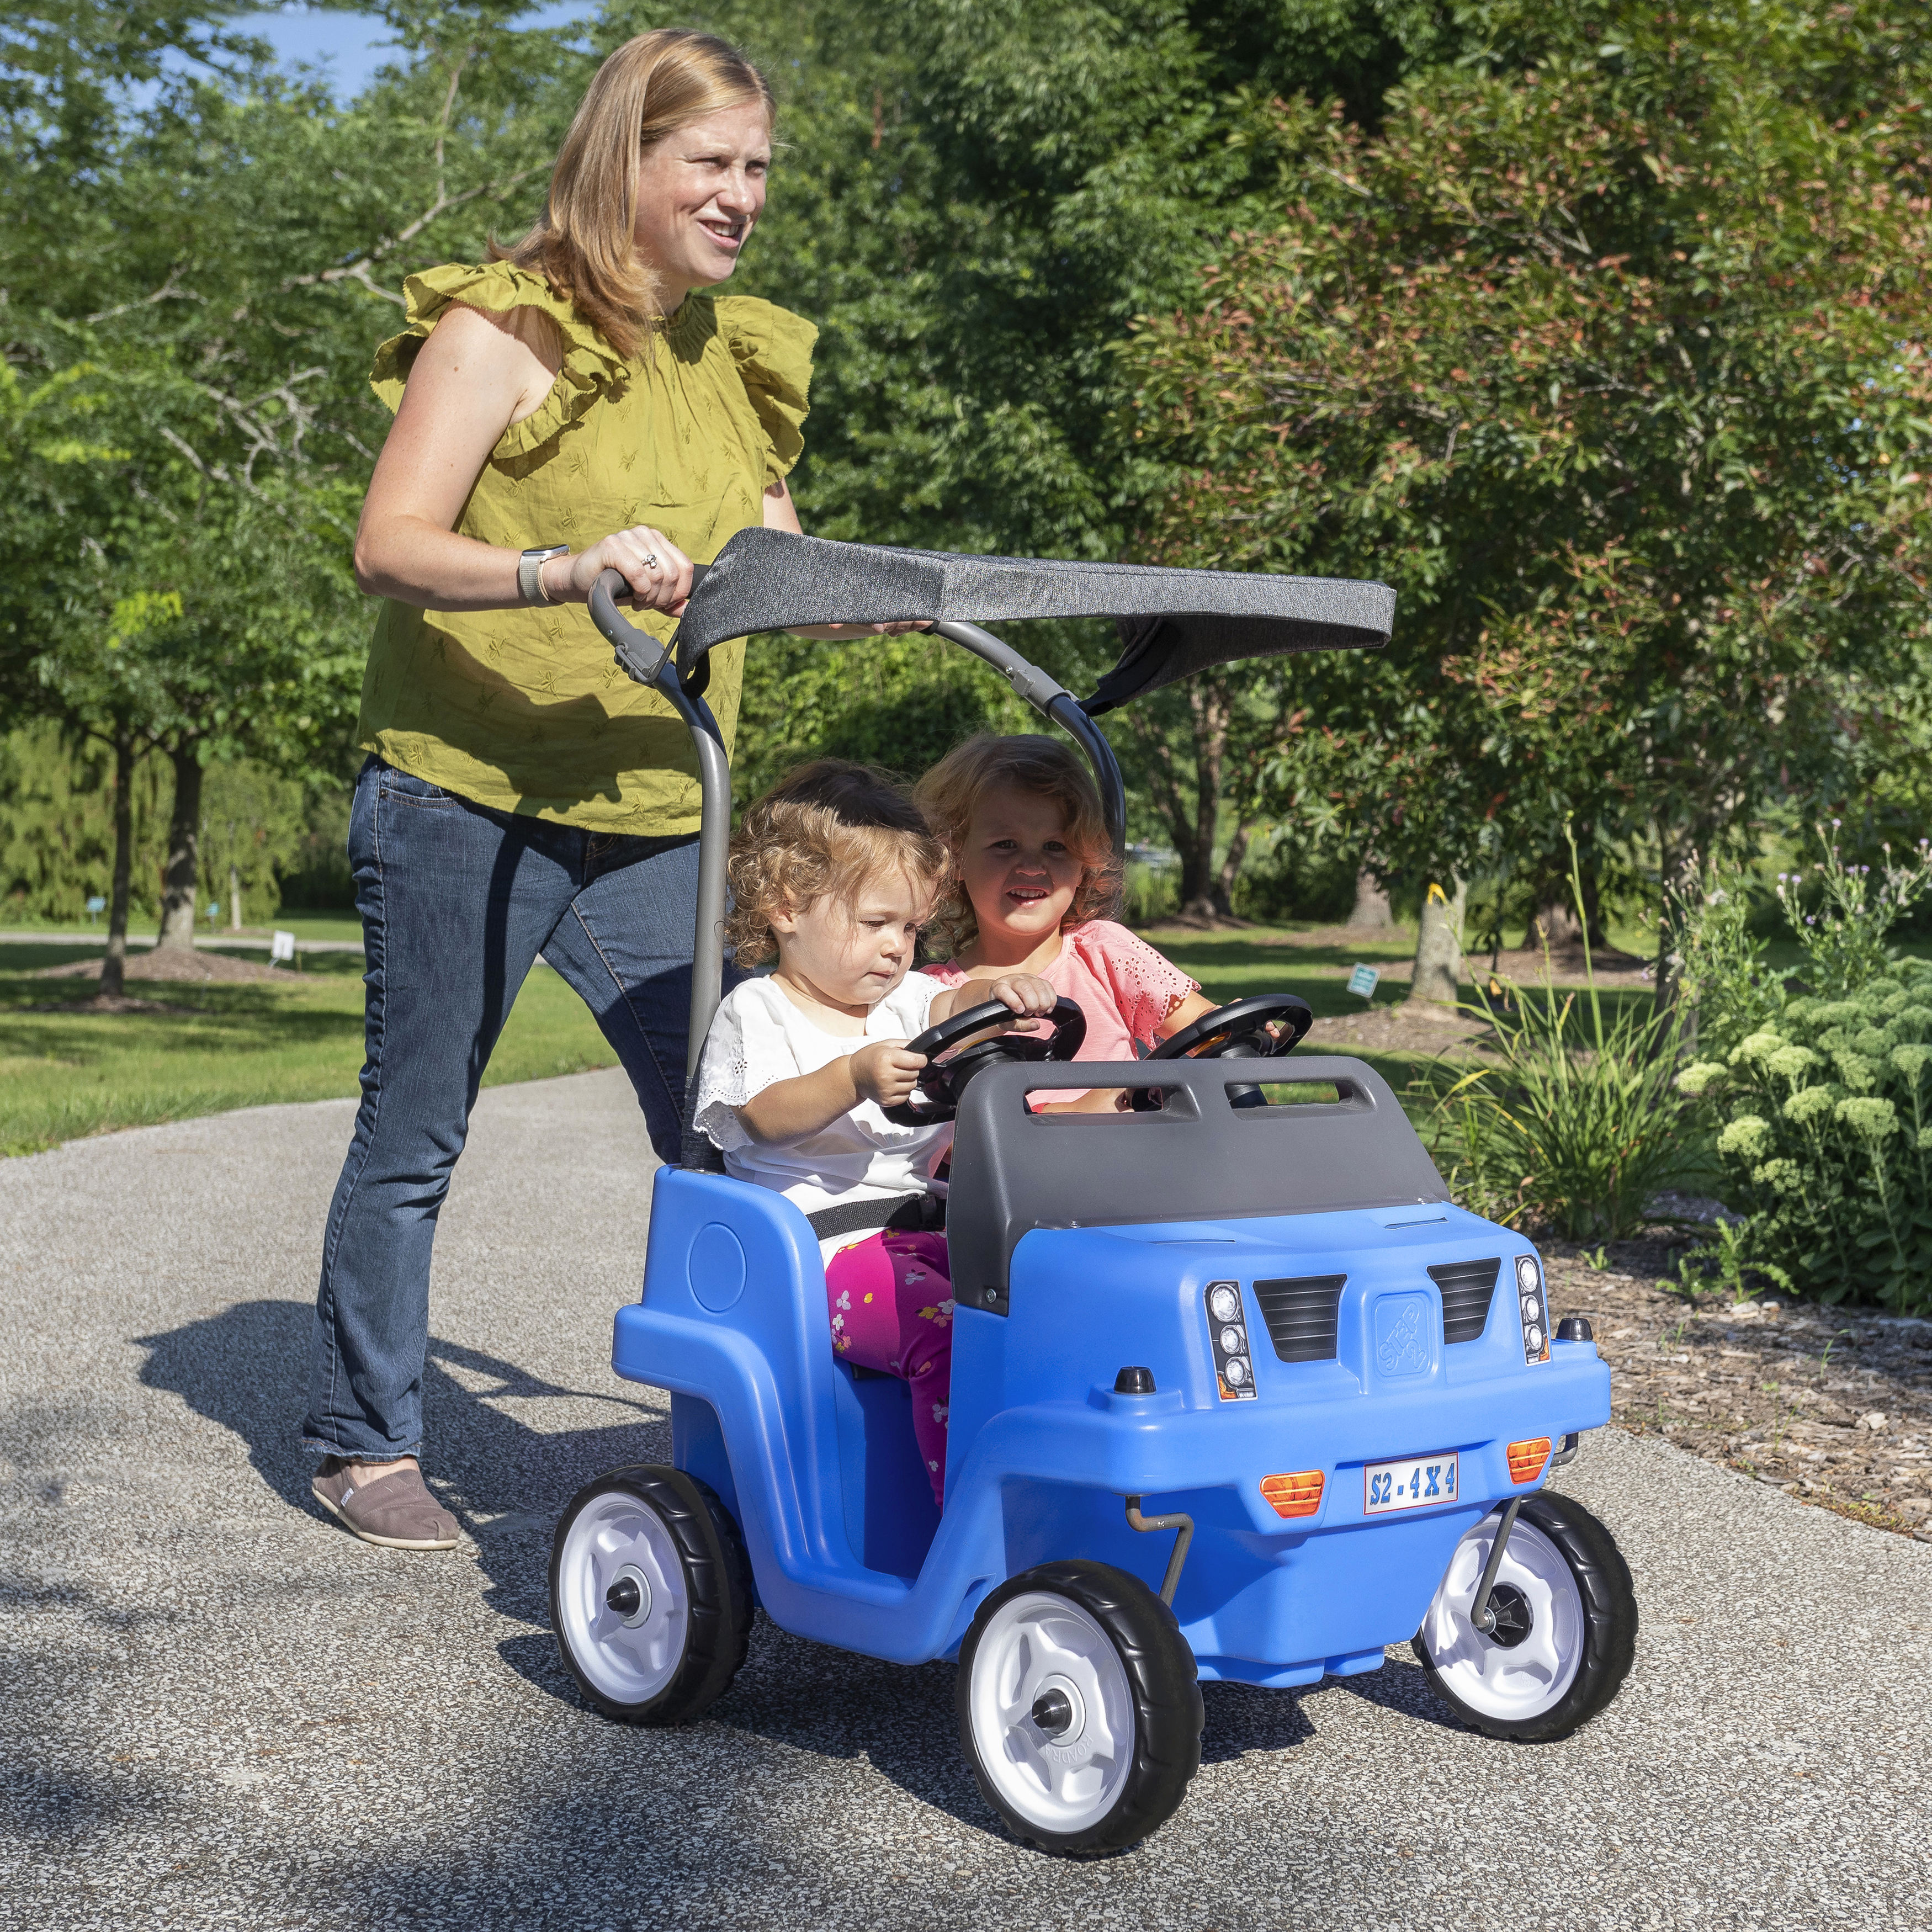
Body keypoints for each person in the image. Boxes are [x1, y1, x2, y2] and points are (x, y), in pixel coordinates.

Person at [307, 30, 912, 1552]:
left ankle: (775, 1418)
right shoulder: (499, 331)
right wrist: (560, 568)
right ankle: (365, 1437)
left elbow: (776, 565)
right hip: (466, 789)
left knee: (727, 1129)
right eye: (708, 163)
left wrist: (868, 595)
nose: (741, 195)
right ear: (620, 166)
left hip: (655, 805)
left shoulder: (730, 359)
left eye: (758, 167)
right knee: (416, 1126)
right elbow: (388, 543)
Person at [689, 762, 1057, 1505]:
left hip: (926, 1237)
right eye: (877, 924)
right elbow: (761, 1115)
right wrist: (850, 1077)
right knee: (951, 1339)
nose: (899, 948)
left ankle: (1061, 1493)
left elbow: (956, 998)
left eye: (913, 928)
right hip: (817, 1259)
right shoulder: (759, 1012)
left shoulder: (906, 1000)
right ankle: (970, 1518)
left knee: (1056, 1308)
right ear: (788, 908)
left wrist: (999, 990)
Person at [916, 734, 1219, 1106]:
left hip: (1144, 1156)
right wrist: (1073, 1111)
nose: (1030, 867)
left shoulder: (1105, 951)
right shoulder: (934, 997)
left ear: (1083, 866)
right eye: (1005, 845)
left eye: (1055, 847)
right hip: (1016, 1162)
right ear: (956, 859)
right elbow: (944, 1138)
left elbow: (1201, 1029)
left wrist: (1232, 1032)